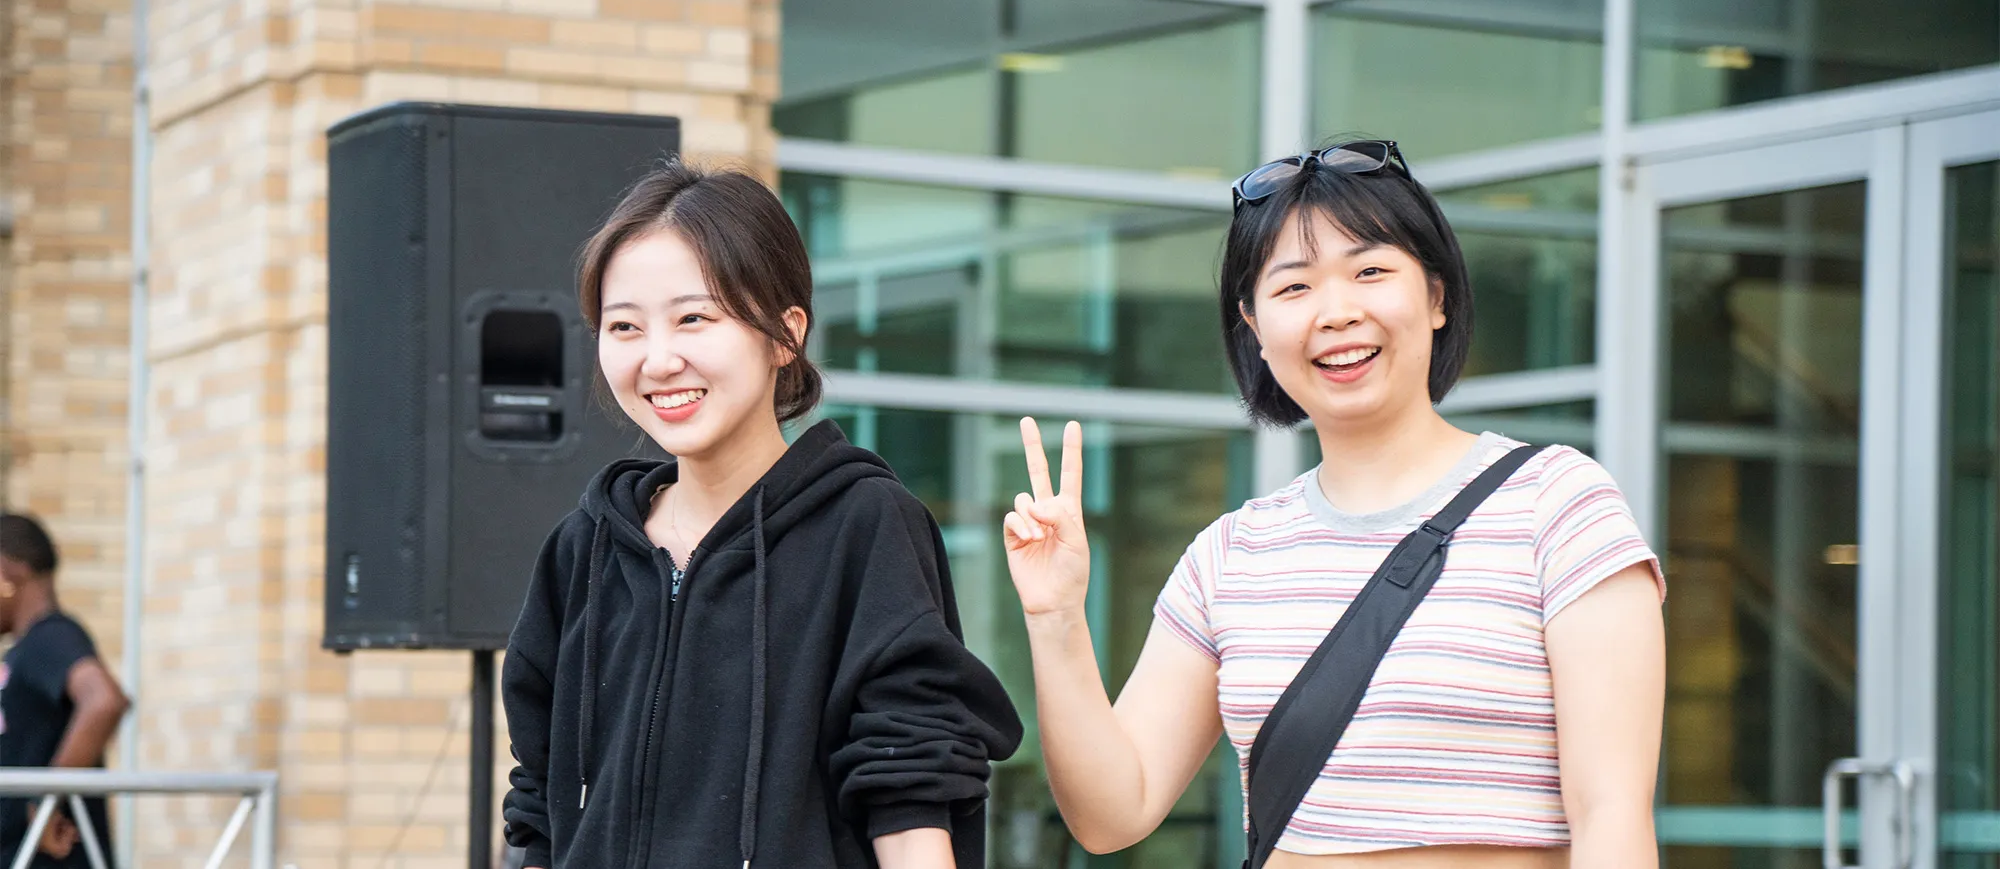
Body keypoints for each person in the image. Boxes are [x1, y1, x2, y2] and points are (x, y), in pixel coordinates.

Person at [1002, 141, 1667, 868]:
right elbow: (1111, 813)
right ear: (1253, 327)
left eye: (1371, 271)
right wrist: (1057, 618)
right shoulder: (1231, 554)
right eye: (1294, 288)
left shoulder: (1558, 506)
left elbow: (1613, 817)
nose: (1337, 312)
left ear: (1437, 296)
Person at [501, 162, 1023, 869]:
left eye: (694, 318)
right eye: (624, 326)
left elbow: (909, 788)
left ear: (785, 334)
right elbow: (541, 808)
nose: (658, 360)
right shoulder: (582, 550)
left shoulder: (864, 526)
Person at [0, 514, 130, 868]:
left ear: (8, 572)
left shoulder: (50, 636)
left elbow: (104, 700)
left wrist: (46, 802)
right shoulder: (29, 647)